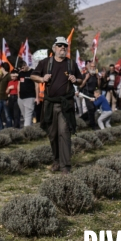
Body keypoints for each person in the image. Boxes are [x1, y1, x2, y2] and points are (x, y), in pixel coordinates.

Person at [31, 36, 82, 174]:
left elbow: (80, 80)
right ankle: (57, 160)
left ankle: (66, 166)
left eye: (65, 46)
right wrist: (42, 78)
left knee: (64, 133)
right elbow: (33, 76)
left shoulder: (71, 64)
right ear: (54, 48)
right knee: (52, 135)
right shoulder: (45, 63)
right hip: (49, 105)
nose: (63, 48)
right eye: (60, 45)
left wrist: (75, 80)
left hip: (66, 104)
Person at [79, 61, 99, 129]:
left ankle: (82, 118)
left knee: (95, 108)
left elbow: (98, 86)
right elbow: (81, 86)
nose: (93, 68)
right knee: (91, 108)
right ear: (89, 67)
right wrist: (86, 78)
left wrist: (98, 78)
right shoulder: (85, 75)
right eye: (91, 67)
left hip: (93, 94)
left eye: (94, 67)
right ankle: (93, 125)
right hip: (86, 93)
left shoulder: (96, 76)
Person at [18, 61, 37, 127]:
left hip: (30, 97)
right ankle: (30, 132)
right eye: (20, 68)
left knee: (28, 117)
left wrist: (37, 97)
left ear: (25, 65)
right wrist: (18, 96)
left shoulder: (33, 72)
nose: (21, 69)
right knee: (25, 116)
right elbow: (19, 84)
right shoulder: (20, 73)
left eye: (22, 68)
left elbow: (36, 85)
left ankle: (26, 132)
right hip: (21, 97)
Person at [0, 63, 11, 132]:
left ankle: (9, 129)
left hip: (5, 98)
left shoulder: (9, 76)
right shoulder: (1, 76)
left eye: (0, 68)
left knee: (7, 115)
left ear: (3, 68)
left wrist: (8, 97)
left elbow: (10, 86)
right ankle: (1, 129)